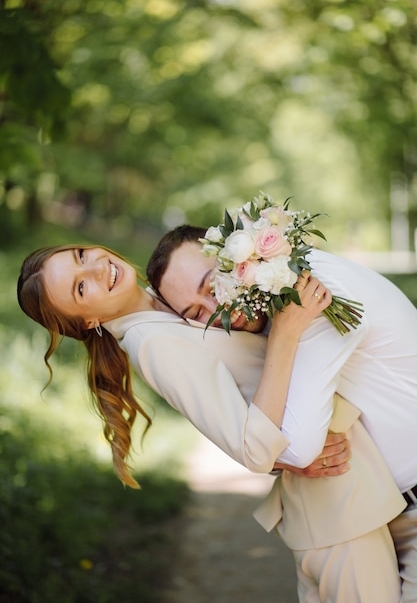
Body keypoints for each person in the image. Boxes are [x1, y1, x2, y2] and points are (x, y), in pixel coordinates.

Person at [17, 243, 405, 602]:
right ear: (88, 321)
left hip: (353, 494)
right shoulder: (153, 343)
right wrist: (286, 334)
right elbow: (253, 448)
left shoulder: (164, 302)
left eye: (82, 255)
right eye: (80, 288)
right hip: (337, 515)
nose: (97, 269)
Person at [147, 224, 417, 602]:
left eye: (212, 288)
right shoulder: (278, 305)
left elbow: (298, 448)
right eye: (196, 312)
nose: (217, 311)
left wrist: (283, 337)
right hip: (392, 503)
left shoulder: (314, 299)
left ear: (239, 259)